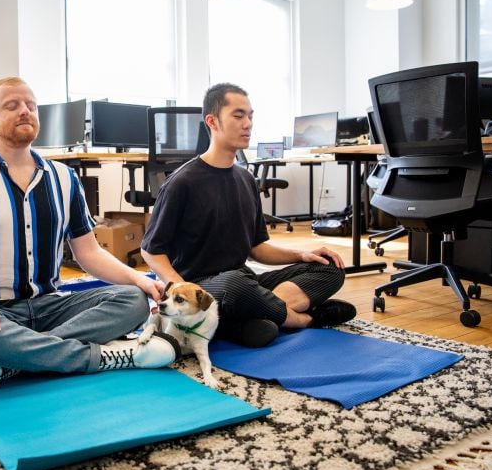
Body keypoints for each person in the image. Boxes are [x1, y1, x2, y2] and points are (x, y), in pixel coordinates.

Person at [0, 76, 180, 397]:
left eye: (31, 105)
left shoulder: (64, 179)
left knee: (133, 299)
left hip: (53, 306)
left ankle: (13, 363)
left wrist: (139, 281)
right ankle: (105, 356)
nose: (25, 111)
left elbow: (89, 253)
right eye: (12, 106)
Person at [141, 82, 356, 348]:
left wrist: (303, 255)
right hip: (204, 287)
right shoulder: (181, 182)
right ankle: (302, 320)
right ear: (213, 121)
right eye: (238, 115)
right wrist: (180, 288)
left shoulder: (246, 179)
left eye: (251, 116)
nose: (248, 124)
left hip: (245, 282)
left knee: (329, 268)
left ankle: (254, 316)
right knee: (235, 285)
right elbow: (151, 251)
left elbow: (257, 248)